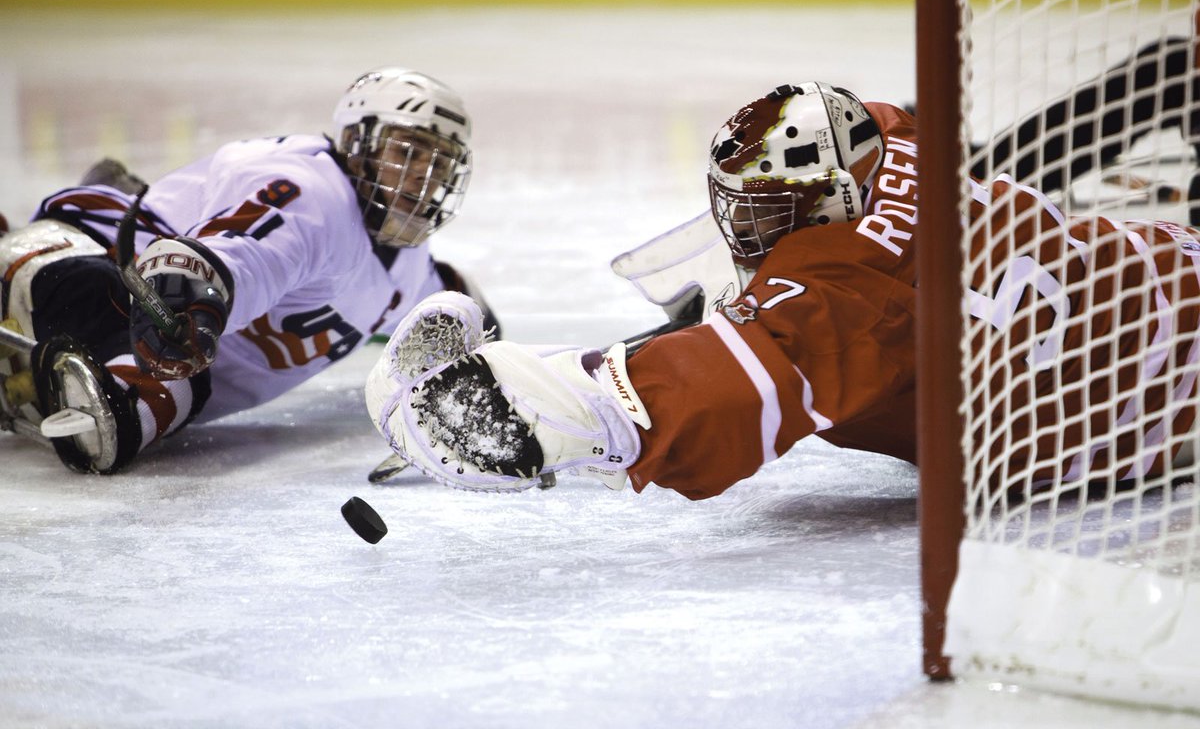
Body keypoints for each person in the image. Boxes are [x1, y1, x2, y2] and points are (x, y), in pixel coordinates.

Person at [364, 59, 1200, 499]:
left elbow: (682, 402)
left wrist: (483, 412)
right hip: (1165, 268)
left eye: (768, 213)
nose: (746, 232)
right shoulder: (894, 142)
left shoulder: (848, 300)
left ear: (834, 199)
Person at [0, 68, 495, 474]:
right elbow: (238, 257)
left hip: (163, 336)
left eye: (440, 164)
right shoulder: (312, 195)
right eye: (406, 152)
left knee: (161, 394)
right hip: (98, 259)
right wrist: (184, 298)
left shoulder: (409, 267)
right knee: (148, 393)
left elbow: (455, 311)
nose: (423, 176)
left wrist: (492, 370)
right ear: (355, 141)